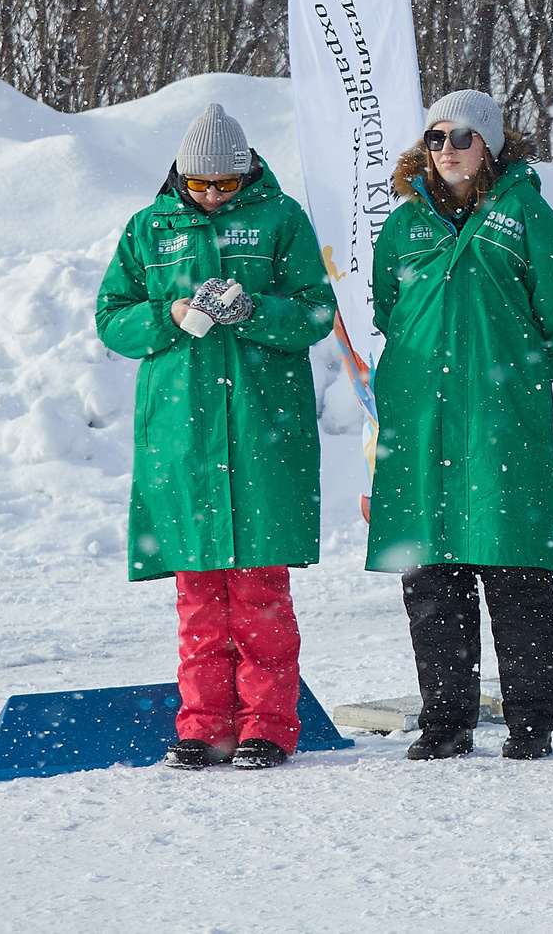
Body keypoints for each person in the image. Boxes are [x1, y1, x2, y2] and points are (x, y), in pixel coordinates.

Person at [95, 103, 339, 770]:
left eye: (223, 185)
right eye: (198, 183)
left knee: (260, 593)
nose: (209, 195)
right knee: (199, 595)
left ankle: (267, 726)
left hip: (261, 433)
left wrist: (257, 311)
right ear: (179, 174)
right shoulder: (148, 227)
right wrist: (170, 313)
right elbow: (111, 317)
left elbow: (318, 311)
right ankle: (203, 726)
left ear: (245, 173)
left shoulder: (281, 220)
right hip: (184, 440)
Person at [368, 90, 553, 762]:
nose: (447, 150)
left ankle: (530, 722)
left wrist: (514, 373)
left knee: (515, 575)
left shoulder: (526, 214)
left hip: (502, 426)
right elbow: (388, 308)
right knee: (432, 581)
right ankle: (445, 720)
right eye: (435, 138)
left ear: (490, 144)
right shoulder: (404, 225)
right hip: (421, 426)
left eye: (462, 137)